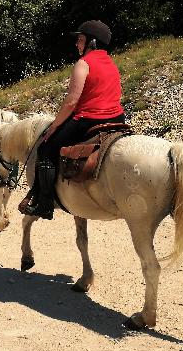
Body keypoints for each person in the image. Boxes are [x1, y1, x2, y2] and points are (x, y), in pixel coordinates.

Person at [20, 20, 126, 219]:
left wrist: (54, 126)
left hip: (89, 119)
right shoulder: (112, 63)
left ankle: (44, 204)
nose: (77, 44)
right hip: (117, 118)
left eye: (80, 40)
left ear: (91, 42)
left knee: (45, 149)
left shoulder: (83, 63)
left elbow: (71, 102)